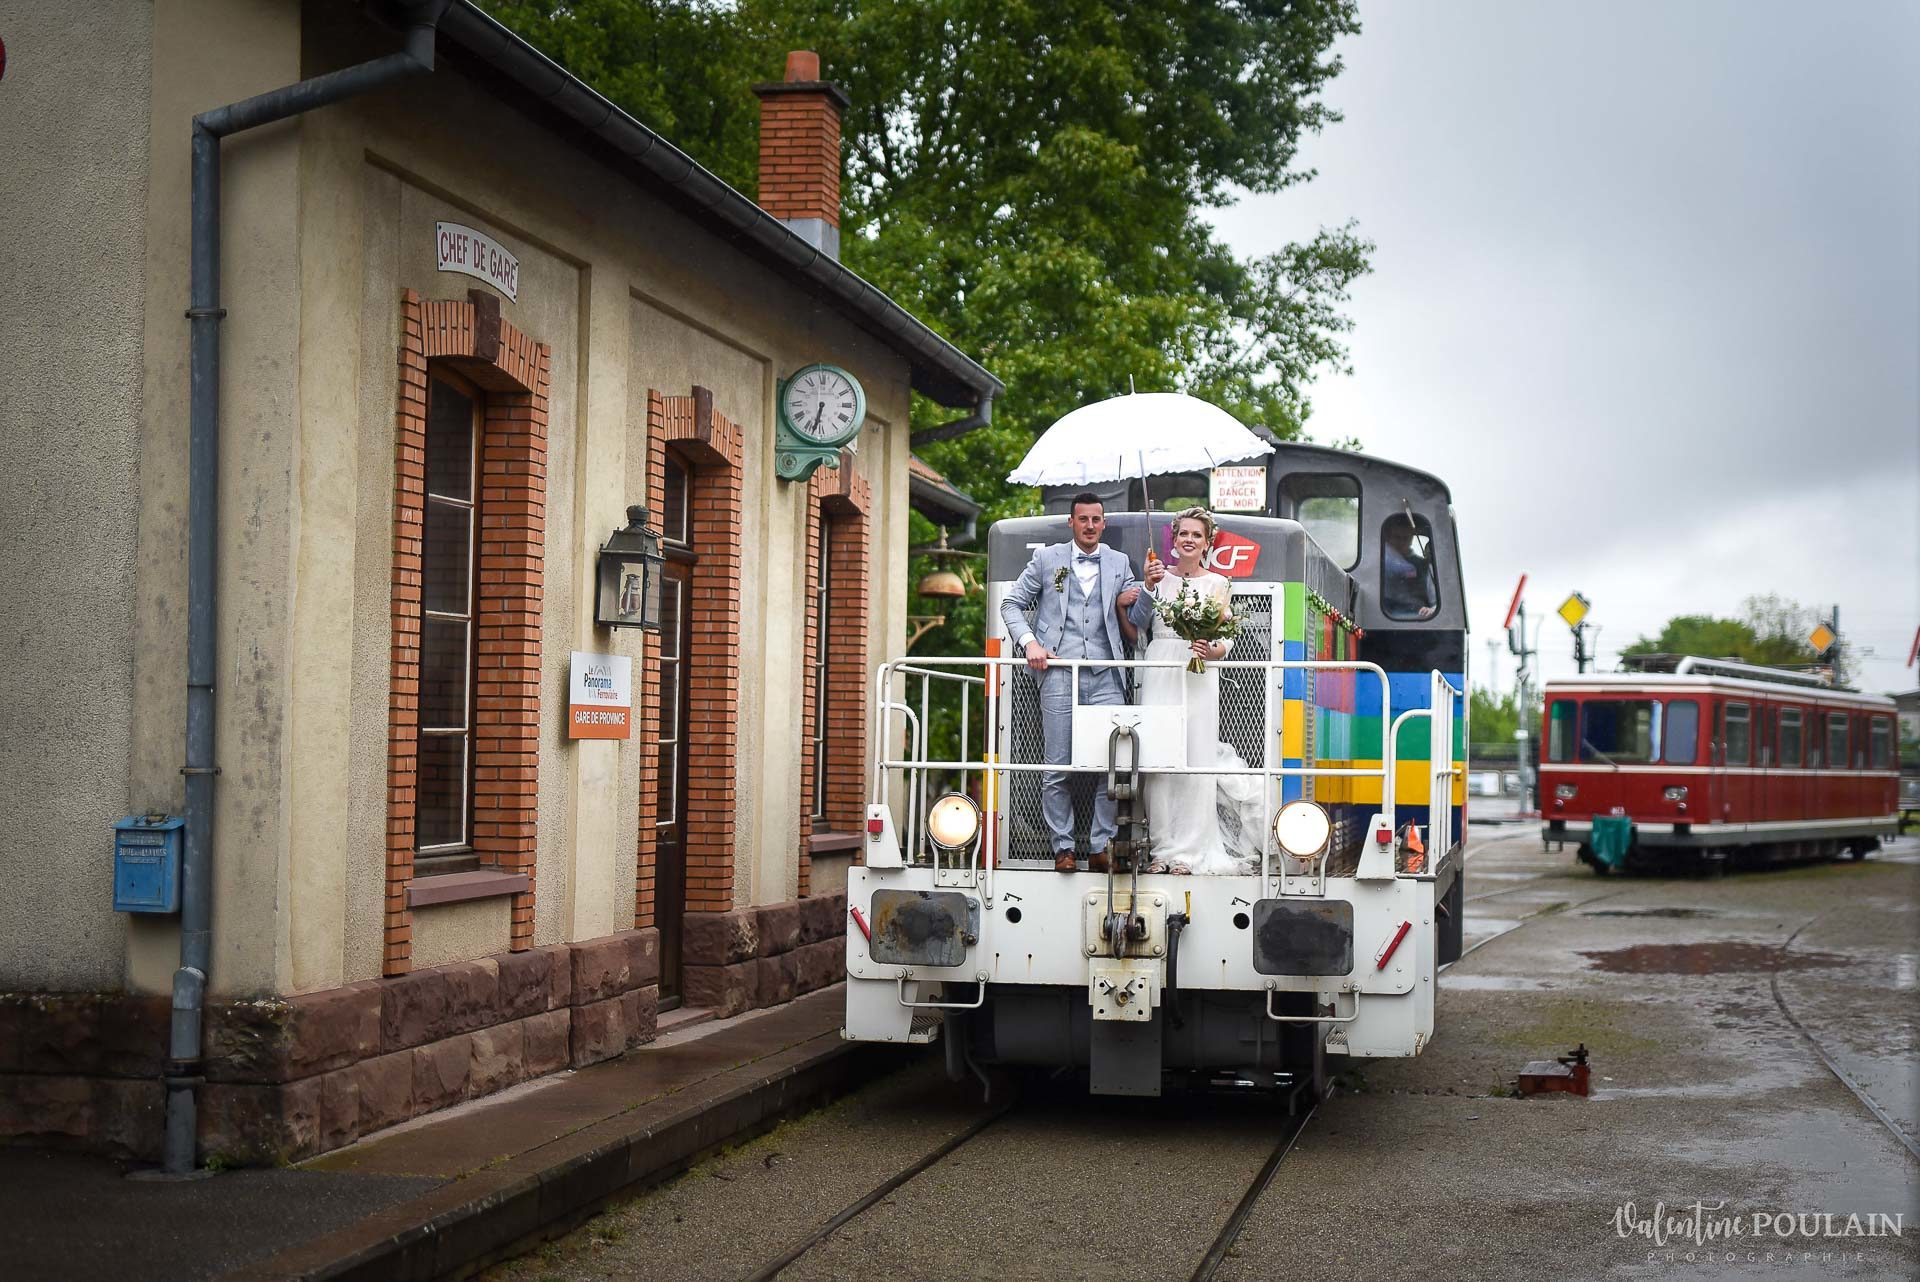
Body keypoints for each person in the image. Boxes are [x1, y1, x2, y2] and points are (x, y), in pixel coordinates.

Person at [999, 493, 1154, 872]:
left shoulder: (1119, 563)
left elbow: (1138, 622)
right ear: (1071, 522)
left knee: (1110, 765)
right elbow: (1011, 603)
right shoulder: (1047, 559)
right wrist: (1030, 643)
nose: (1089, 525)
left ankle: (1100, 847)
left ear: (1103, 524)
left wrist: (1147, 588)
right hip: (1057, 672)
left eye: (1096, 519)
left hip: (1106, 674)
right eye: (1082, 519)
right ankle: (1063, 848)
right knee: (1057, 766)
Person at [1119, 507, 1244, 874]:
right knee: (1159, 762)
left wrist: (1211, 649)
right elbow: (1138, 625)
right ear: (1173, 540)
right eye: (1183, 533)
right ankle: (1162, 850)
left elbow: (1227, 640)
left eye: (1196, 535)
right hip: (1161, 668)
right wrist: (1148, 585)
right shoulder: (1159, 577)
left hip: (1198, 673)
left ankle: (1190, 852)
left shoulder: (1218, 584)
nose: (1189, 539)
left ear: (1207, 543)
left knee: (1194, 759)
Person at [1381, 516, 1437, 620]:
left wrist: (1432, 610)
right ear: (1388, 538)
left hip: (1413, 617)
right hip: (1385, 613)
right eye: (1397, 537)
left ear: (1411, 539)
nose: (1401, 542)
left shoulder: (1425, 567)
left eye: (1406, 538)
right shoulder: (1380, 560)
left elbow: (1436, 602)